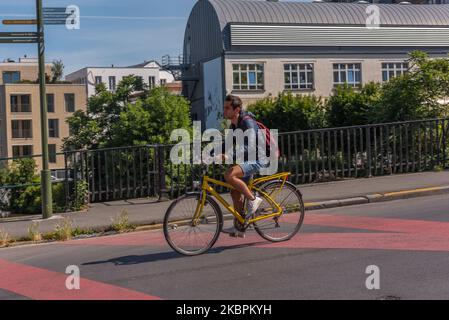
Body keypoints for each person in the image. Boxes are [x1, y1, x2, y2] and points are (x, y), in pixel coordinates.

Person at [217, 94, 268, 238]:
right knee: (235, 193)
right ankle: (240, 226)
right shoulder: (235, 124)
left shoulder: (247, 122)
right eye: (224, 108)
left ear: (237, 109)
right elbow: (226, 144)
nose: (224, 111)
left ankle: (253, 200)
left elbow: (249, 146)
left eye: (227, 108)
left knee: (229, 174)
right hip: (246, 160)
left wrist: (229, 156)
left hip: (257, 158)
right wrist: (206, 154)